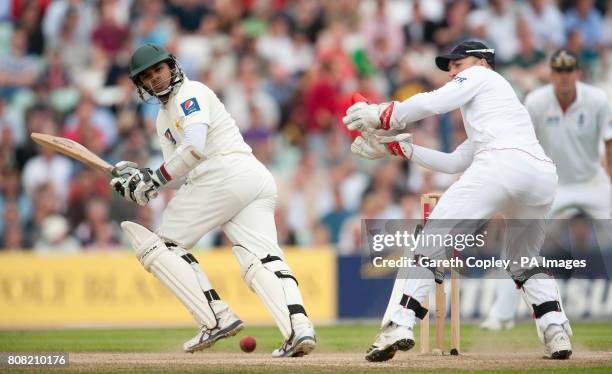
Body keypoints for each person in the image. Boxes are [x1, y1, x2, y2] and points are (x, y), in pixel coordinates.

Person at [343, 41, 573, 361]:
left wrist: (383, 113)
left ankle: (400, 322)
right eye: (448, 67)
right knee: (523, 260)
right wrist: (402, 149)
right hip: (540, 178)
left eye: (457, 64)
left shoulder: (482, 76)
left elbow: (434, 102)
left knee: (431, 237)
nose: (452, 72)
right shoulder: (497, 109)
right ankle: (555, 329)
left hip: (501, 166)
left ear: (482, 62)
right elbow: (453, 162)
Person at [110, 44, 315, 357]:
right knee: (261, 259)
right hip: (248, 178)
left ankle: (216, 317)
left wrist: (153, 179)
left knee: (161, 247)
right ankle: (297, 330)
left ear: (171, 66)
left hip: (224, 174)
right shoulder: (163, 119)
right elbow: (177, 173)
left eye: (159, 70)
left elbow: (194, 148)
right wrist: (143, 184)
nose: (155, 79)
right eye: (147, 76)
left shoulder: (190, 93)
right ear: (141, 85)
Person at [481, 49, 611, 331]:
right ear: (551, 75)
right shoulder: (537, 101)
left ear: (578, 72)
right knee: (519, 240)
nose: (564, 77)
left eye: (569, 70)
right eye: (559, 71)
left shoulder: (598, 99)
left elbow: (610, 144)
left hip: (593, 181)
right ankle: (501, 315)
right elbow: (526, 143)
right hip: (553, 183)